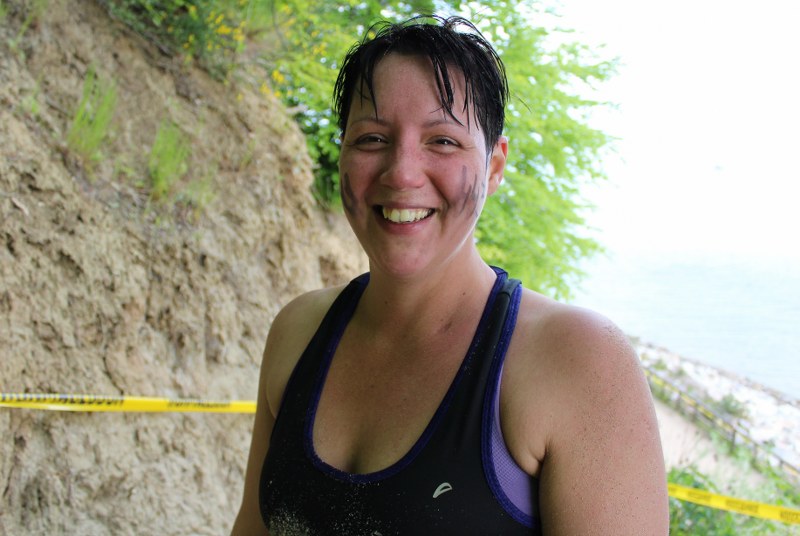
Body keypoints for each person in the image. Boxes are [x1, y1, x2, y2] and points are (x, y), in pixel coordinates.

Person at [232, 15, 668, 535]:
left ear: (494, 166)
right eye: (372, 138)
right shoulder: (299, 332)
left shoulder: (577, 361)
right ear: (343, 151)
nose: (402, 173)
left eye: (442, 141)